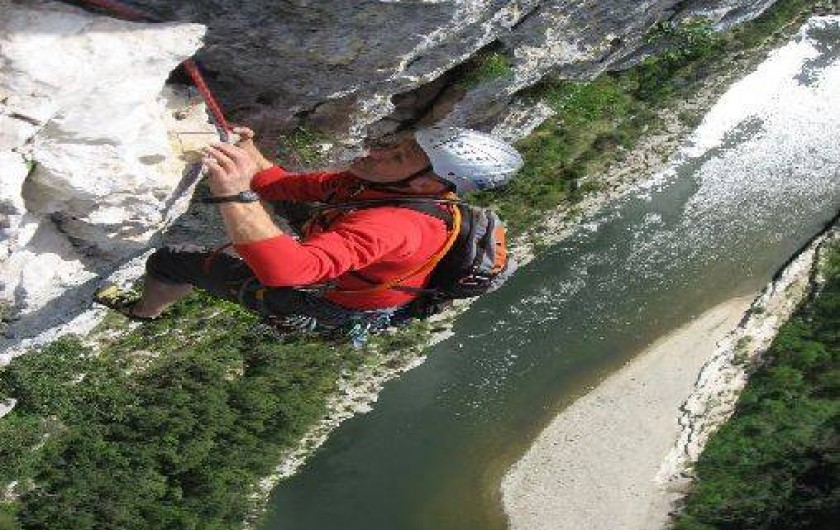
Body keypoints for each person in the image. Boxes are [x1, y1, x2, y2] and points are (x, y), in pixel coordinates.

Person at [97, 125, 523, 339]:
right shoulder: (368, 184)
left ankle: (144, 313)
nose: (377, 151)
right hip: (356, 259)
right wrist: (250, 155)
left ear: (428, 186)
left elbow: (290, 271)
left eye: (399, 156)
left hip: (333, 305)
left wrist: (233, 196)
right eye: (397, 143)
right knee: (287, 207)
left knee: (170, 260)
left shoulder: (394, 225)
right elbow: (282, 186)